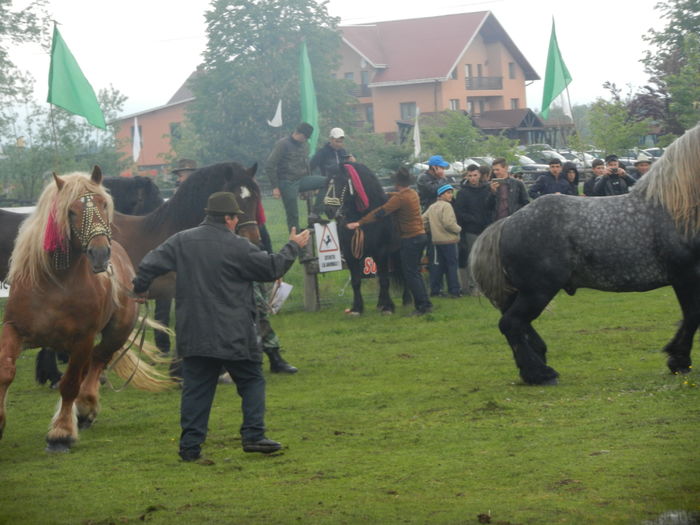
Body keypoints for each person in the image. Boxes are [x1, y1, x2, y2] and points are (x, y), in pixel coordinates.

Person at [131, 191, 310, 462]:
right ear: (228, 218)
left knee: (196, 391)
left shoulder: (181, 241)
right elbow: (272, 268)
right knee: (251, 381)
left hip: (194, 332)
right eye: (235, 217)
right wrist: (293, 246)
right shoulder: (239, 246)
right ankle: (253, 436)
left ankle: (190, 449)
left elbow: (148, 264)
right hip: (235, 332)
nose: (237, 222)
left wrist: (141, 289)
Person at [346, 168, 432, 316]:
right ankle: (424, 303)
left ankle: (423, 306)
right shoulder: (412, 194)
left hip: (410, 238)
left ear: (397, 183)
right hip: (420, 236)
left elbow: (381, 211)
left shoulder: (399, 199)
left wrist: (359, 223)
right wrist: (381, 195)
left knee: (411, 273)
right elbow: (394, 196)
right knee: (414, 272)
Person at [264, 122, 314, 231]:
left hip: (302, 180)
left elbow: (306, 165)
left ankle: (316, 214)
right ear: (298, 133)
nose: (305, 140)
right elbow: (270, 165)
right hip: (287, 182)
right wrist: (275, 187)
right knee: (293, 215)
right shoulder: (283, 144)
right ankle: (296, 241)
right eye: (305, 137)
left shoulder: (305, 145)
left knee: (326, 181)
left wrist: (306, 188)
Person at [454, 168, 493, 295]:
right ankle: (473, 286)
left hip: (486, 228)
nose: (473, 178)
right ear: (467, 177)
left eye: (475, 175)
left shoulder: (487, 189)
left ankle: (486, 284)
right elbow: (459, 213)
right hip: (470, 229)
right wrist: (472, 219)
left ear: (480, 175)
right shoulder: (462, 193)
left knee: (486, 258)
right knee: (473, 258)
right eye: (470, 176)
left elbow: (491, 206)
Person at [422, 184, 462, 298]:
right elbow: (448, 223)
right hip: (449, 241)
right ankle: (454, 291)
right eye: (448, 193)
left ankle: (435, 290)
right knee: (452, 266)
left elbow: (422, 221)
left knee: (437, 267)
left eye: (451, 192)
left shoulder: (432, 207)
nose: (451, 195)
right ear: (441, 194)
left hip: (436, 241)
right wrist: (458, 229)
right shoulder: (447, 206)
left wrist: (431, 229)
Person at [309, 127, 348, 220]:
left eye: (341, 142)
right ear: (330, 139)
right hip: (327, 182)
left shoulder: (343, 152)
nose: (339, 144)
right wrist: (314, 185)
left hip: (341, 183)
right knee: (327, 198)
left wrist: (352, 162)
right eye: (337, 141)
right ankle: (315, 214)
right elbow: (311, 166)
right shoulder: (322, 152)